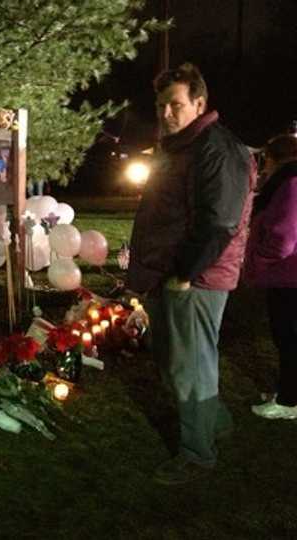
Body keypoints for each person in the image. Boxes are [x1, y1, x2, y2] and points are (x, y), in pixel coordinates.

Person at [127, 63, 256, 485]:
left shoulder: (216, 149)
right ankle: (213, 423)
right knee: (177, 361)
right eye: (161, 105)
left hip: (195, 279)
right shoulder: (181, 147)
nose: (166, 113)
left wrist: (184, 273)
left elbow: (219, 221)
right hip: (170, 274)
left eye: (176, 105)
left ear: (199, 103)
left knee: (190, 368)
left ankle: (197, 453)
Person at [244, 134, 297, 419]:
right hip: (288, 276)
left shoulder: (290, 184)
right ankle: (287, 391)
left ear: (274, 158)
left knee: (289, 340)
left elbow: (283, 239)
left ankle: (290, 402)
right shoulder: (288, 182)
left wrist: (258, 262)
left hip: (288, 277)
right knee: (287, 339)